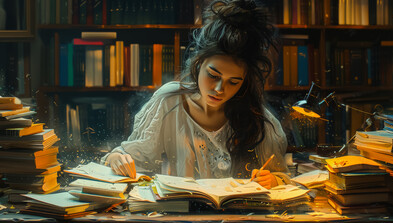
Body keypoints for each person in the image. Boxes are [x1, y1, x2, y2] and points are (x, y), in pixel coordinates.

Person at [101, 0, 290, 189]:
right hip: (178, 213)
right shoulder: (169, 101)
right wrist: (116, 158)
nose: (219, 89)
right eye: (213, 75)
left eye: (233, 82)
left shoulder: (256, 116)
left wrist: (273, 180)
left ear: (244, 82)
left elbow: (282, 175)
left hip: (238, 216)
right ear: (198, 64)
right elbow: (133, 157)